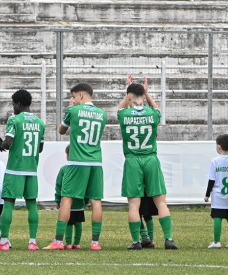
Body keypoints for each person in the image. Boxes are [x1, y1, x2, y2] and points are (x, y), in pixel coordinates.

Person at [45, 83, 106, 251]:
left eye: (73, 96)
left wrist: (69, 109)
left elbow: (61, 131)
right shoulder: (102, 114)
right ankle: (95, 242)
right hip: (95, 161)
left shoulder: (73, 111)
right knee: (96, 201)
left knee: (67, 198)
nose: (72, 100)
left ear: (80, 95)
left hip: (77, 161)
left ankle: (58, 241)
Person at [119, 76, 177, 251]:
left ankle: (137, 241)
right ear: (143, 97)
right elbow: (157, 109)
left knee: (134, 204)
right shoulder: (152, 114)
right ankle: (168, 239)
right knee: (161, 202)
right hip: (150, 158)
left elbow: (121, 108)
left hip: (132, 160)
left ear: (129, 96)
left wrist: (128, 91)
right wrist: (147, 94)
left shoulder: (124, 114)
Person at [0, 89, 45, 251]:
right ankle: (32, 242)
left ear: (18, 103)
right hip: (31, 169)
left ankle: (4, 242)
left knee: (8, 203)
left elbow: (8, 143)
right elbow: (40, 148)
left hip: (15, 169)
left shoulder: (14, 120)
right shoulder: (40, 122)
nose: (13, 107)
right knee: (32, 205)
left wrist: (1, 146)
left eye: (13, 104)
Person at [205, 134, 228, 249]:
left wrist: (207, 195)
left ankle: (217, 241)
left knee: (217, 218)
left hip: (218, 196)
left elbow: (212, 180)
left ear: (218, 147)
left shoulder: (215, 161)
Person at [55, 145, 86, 250]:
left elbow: (59, 185)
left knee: (68, 223)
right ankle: (77, 243)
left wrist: (58, 199)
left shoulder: (64, 169)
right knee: (78, 223)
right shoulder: (83, 170)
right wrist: (85, 200)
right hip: (79, 202)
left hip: (67, 204)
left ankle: (68, 243)